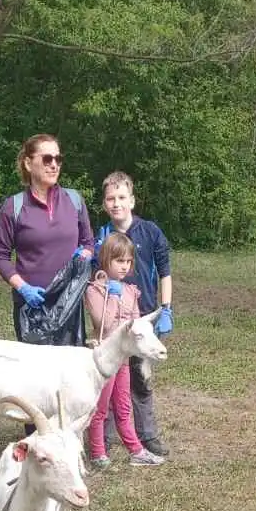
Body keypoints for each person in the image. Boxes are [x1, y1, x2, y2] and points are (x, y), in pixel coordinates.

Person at [96, 171, 173, 458]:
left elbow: (164, 272)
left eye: (121, 198)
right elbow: (96, 271)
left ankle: (147, 434)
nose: (116, 204)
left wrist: (165, 309)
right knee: (109, 375)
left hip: (142, 319)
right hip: (114, 322)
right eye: (110, 199)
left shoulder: (150, 231)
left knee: (141, 377)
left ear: (132, 200)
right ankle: (104, 435)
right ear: (105, 204)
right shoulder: (103, 235)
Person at [0, 134, 94, 343]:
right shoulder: (14, 207)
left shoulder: (74, 200)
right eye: (47, 159)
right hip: (32, 308)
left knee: (68, 372)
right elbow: (0, 256)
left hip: (69, 303)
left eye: (58, 159)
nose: (54, 165)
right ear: (29, 163)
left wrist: (84, 254)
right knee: (36, 373)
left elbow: (88, 242)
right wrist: (22, 287)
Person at [84, 233, 166, 470]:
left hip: (123, 358)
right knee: (100, 408)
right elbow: (104, 323)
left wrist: (125, 299)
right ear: (106, 259)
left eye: (128, 262)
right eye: (119, 261)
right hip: (104, 357)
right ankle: (98, 452)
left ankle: (136, 450)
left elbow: (136, 323)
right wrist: (113, 298)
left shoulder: (131, 290)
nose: (125, 266)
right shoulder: (95, 290)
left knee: (123, 406)